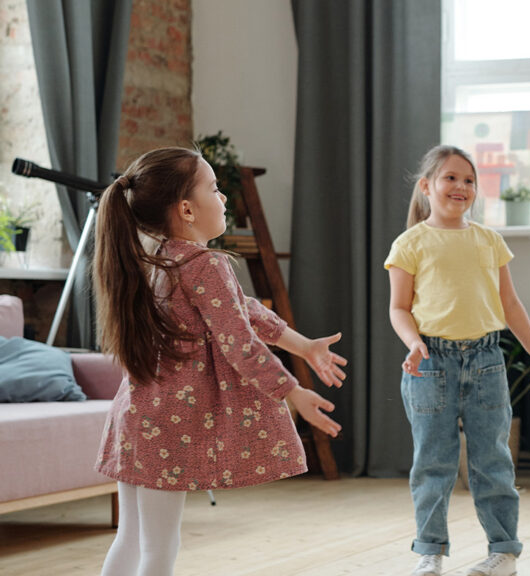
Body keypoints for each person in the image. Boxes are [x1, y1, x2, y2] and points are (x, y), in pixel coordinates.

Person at [92, 147, 348, 576]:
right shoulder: (205, 264)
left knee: (133, 538)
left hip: (136, 419)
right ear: (187, 209)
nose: (225, 197)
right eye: (214, 188)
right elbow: (241, 344)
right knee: (159, 548)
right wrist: (293, 392)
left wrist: (303, 345)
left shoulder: (158, 260)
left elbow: (243, 310)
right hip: (168, 428)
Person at [386, 144, 530, 576]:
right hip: (430, 365)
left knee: (492, 461)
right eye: (450, 178)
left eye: (469, 180)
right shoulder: (410, 243)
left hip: (486, 360)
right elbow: (399, 308)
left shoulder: (489, 241)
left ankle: (504, 552)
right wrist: (414, 344)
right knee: (433, 462)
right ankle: (430, 553)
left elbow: (510, 304)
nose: (461, 187)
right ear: (426, 187)